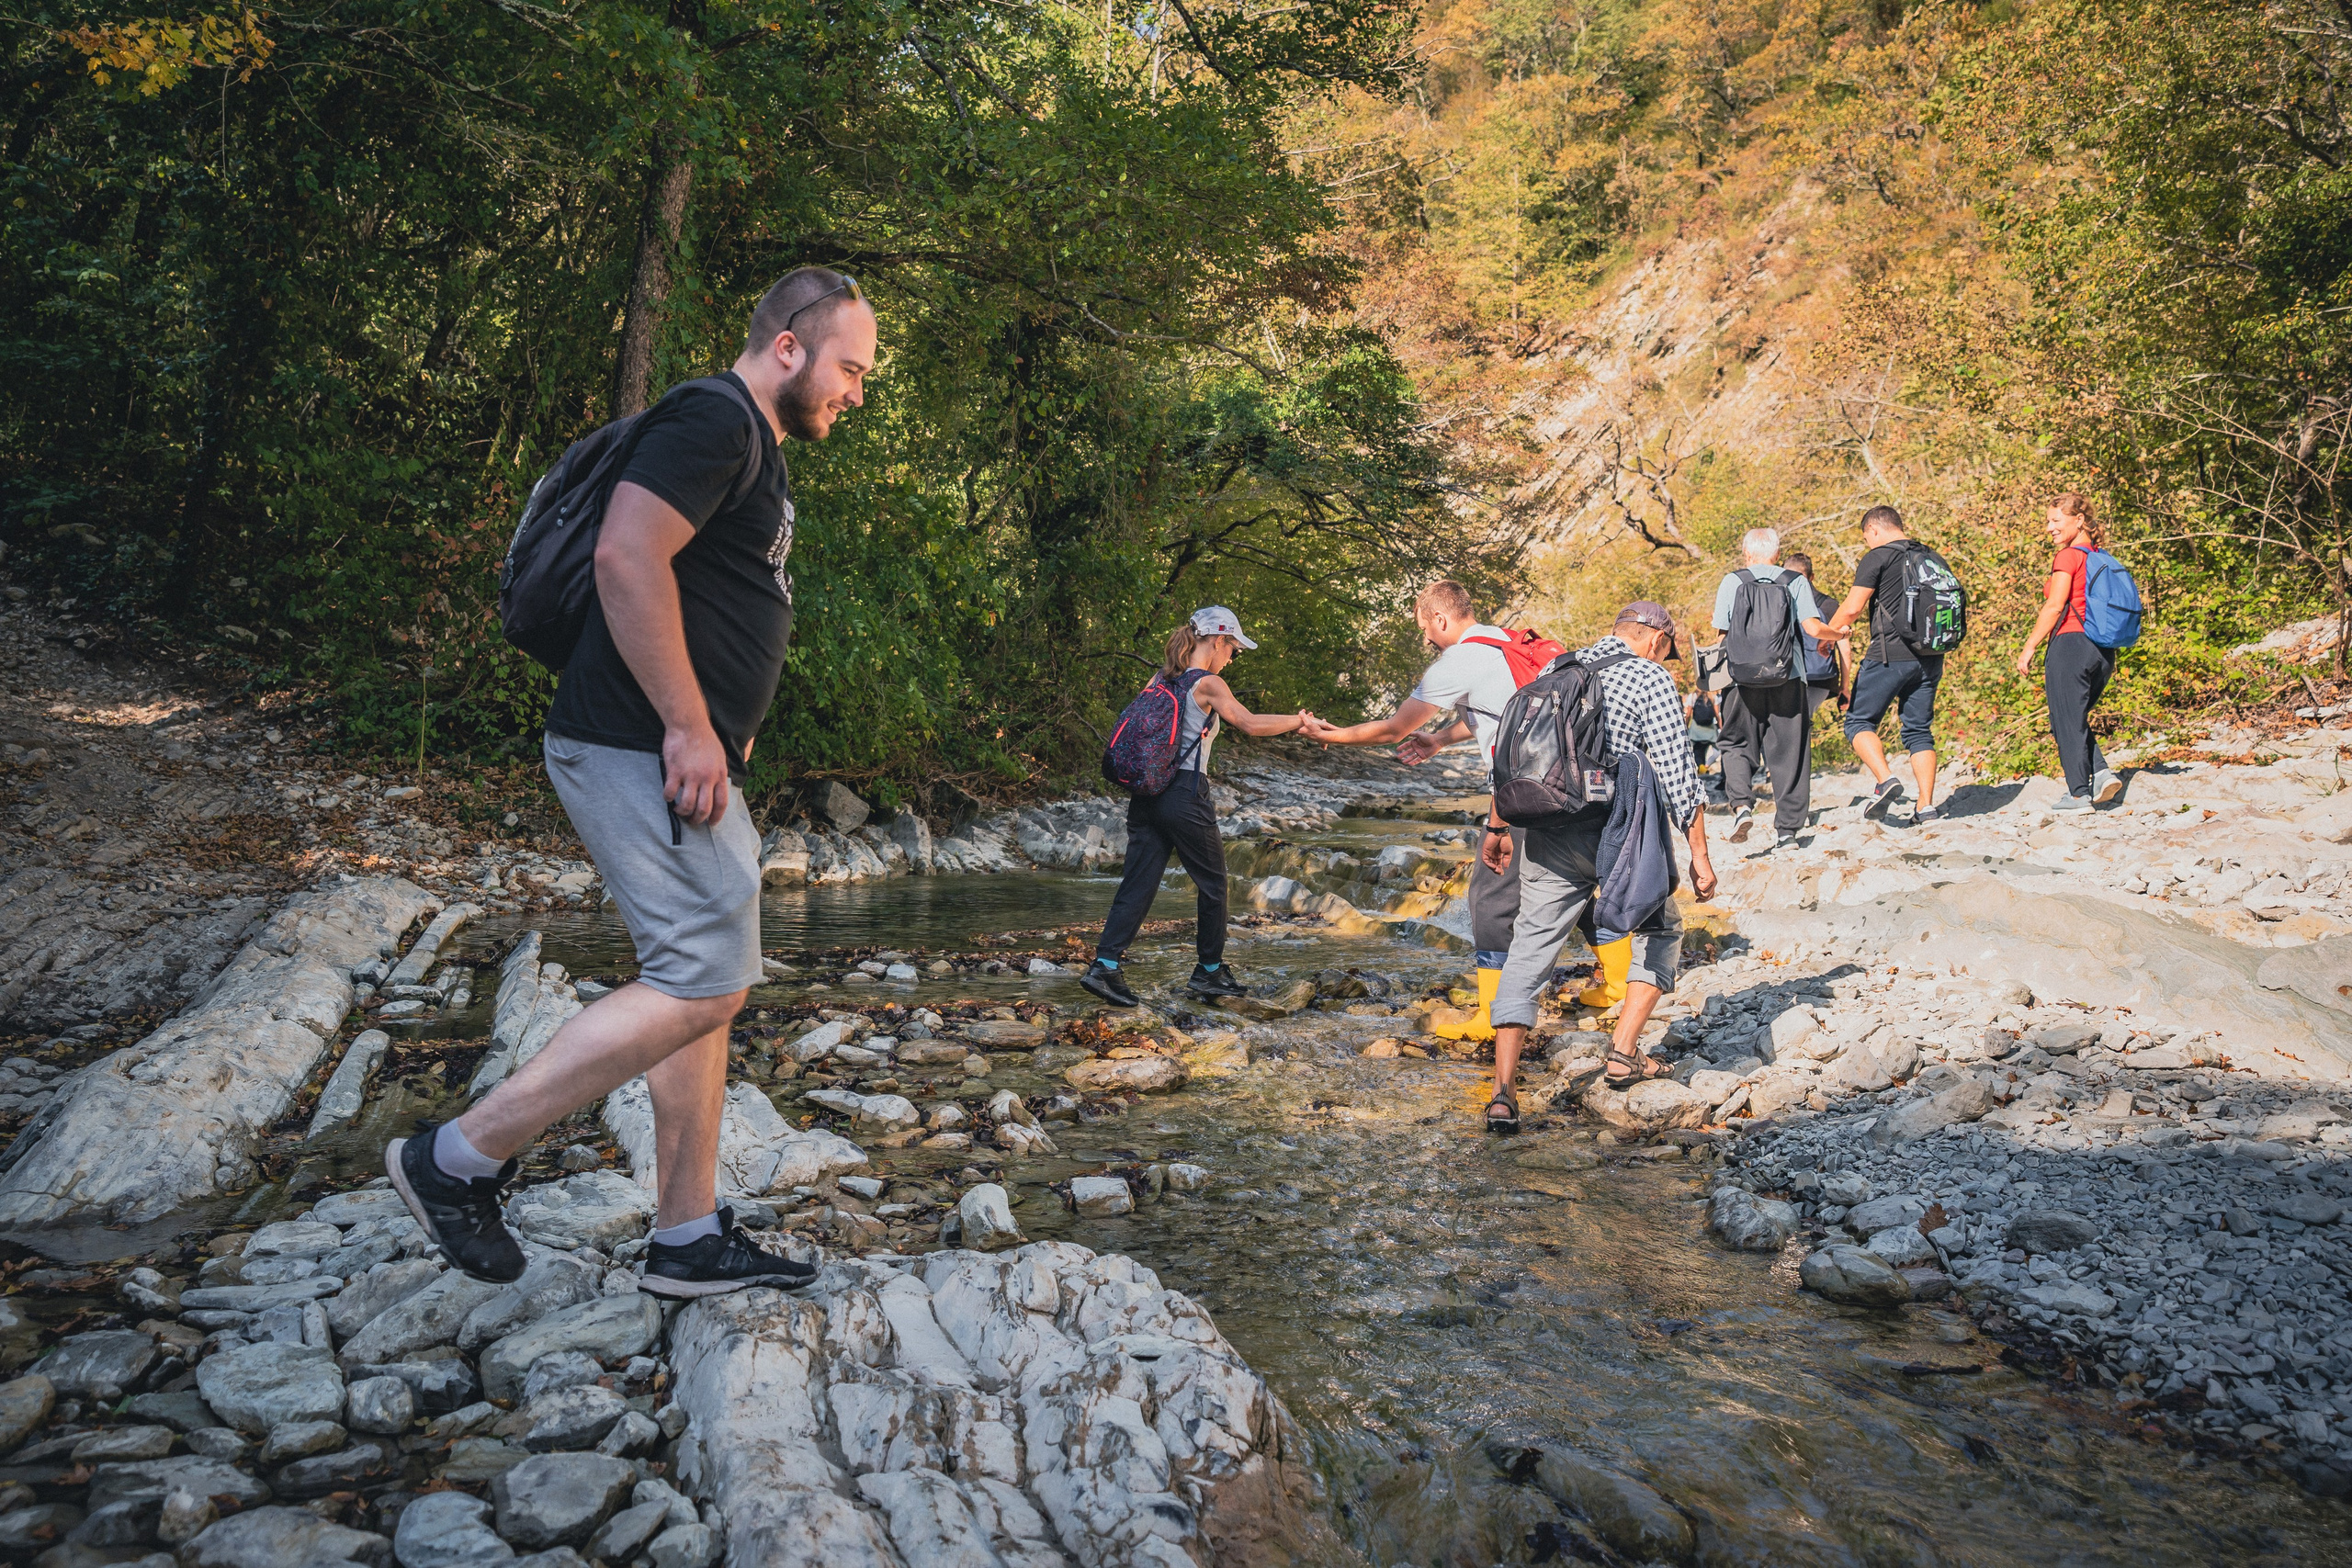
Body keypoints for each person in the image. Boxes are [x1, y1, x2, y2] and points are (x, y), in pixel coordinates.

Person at [386, 266, 876, 1296]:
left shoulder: (748, 443)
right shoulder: (715, 418)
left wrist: (711, 732)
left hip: (668, 753)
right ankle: (455, 1159)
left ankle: (686, 1236)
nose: (856, 392)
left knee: (704, 989)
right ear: (788, 345)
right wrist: (689, 725)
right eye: (849, 368)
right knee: (706, 979)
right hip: (636, 744)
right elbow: (625, 556)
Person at [1482, 603, 1716, 1130]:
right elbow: (1679, 773)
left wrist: (1496, 827)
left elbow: (1512, 754)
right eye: (1667, 649)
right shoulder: (1649, 677)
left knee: (1530, 950)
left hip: (1547, 827)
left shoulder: (1556, 669)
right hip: (1620, 831)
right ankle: (1622, 1053)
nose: (1666, 657)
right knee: (1663, 928)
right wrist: (1700, 855)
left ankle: (1502, 1094)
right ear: (1655, 639)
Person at [1299, 581, 1527, 1042]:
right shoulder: (1508, 643)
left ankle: (1494, 1016)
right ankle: (1616, 984)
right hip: (1568, 785)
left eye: (1426, 629)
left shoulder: (1459, 659)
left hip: (1523, 791)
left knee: (1489, 898)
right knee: (1569, 882)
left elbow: (1393, 729)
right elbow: (1492, 712)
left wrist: (1330, 735)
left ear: (1441, 620)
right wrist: (1441, 739)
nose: (1426, 639)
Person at [1081, 608, 1306, 1008]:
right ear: (1218, 640)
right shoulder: (1207, 682)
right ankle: (1208, 972)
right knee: (1214, 883)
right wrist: (1300, 721)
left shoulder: (1159, 679)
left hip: (1146, 794)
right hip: (1184, 791)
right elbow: (1250, 723)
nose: (1233, 657)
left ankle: (1104, 966)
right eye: (1233, 648)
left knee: (1138, 882)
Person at [1712, 528, 1842, 850]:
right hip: (1789, 675)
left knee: (1736, 743)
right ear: (1777, 553)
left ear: (1746, 553)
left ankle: (1742, 805)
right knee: (1790, 752)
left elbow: (1720, 634)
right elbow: (1813, 628)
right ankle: (1787, 833)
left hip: (1740, 678)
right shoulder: (1794, 581)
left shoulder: (1733, 581)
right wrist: (1838, 634)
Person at [1824, 505, 1944, 827]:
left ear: (1874, 530)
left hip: (1889, 654)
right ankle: (1926, 806)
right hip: (1931, 656)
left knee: (1858, 721)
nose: (1867, 544)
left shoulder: (1878, 556)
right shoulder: (1932, 556)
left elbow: (1852, 608)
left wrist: (1826, 638)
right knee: (1918, 730)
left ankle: (1886, 778)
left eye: (1866, 538)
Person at [2017, 492, 2125, 812]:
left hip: (2071, 645)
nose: (2049, 528)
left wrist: (2030, 646)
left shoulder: (2068, 556)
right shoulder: (2099, 556)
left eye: (2056, 520)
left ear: (2079, 521)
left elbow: (2054, 606)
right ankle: (2102, 773)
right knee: (2071, 718)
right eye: (2048, 521)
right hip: (2103, 651)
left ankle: (2078, 795)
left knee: (2065, 720)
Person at [1782, 551, 1852, 725]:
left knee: (1789, 727)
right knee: (1803, 723)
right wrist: (1844, 687)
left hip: (1786, 677)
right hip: (1821, 679)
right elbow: (1845, 649)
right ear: (1811, 576)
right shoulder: (1830, 605)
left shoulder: (1779, 603)